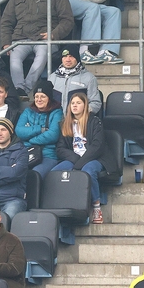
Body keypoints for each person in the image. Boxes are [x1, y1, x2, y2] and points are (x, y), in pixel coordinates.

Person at [0, 0, 75, 96]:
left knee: (40, 58)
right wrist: (6, 43)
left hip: (45, 39)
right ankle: (19, 89)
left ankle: (25, 89)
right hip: (20, 39)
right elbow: (6, 22)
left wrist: (53, 34)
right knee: (14, 59)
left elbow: (67, 20)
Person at [52, 89, 114, 224]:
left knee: (88, 171)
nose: (74, 105)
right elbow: (60, 148)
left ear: (85, 105)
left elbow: (97, 146)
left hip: (95, 158)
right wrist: (75, 159)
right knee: (54, 173)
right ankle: (63, 204)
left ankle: (96, 206)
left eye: (78, 103)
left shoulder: (94, 122)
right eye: (72, 103)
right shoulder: (65, 124)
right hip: (75, 159)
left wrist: (81, 162)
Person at [15, 80, 65, 177]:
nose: (39, 99)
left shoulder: (57, 112)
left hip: (47, 155)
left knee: (34, 174)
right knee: (16, 171)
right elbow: (19, 131)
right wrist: (40, 129)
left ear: (49, 98)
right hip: (27, 152)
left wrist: (30, 139)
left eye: (43, 96)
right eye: (36, 96)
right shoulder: (28, 111)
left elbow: (53, 135)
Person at [49, 49, 102, 115]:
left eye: (71, 56)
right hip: (56, 121)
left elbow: (95, 103)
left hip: (78, 121)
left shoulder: (89, 78)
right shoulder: (52, 77)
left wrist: (81, 114)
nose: (68, 59)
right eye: (65, 56)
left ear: (77, 58)